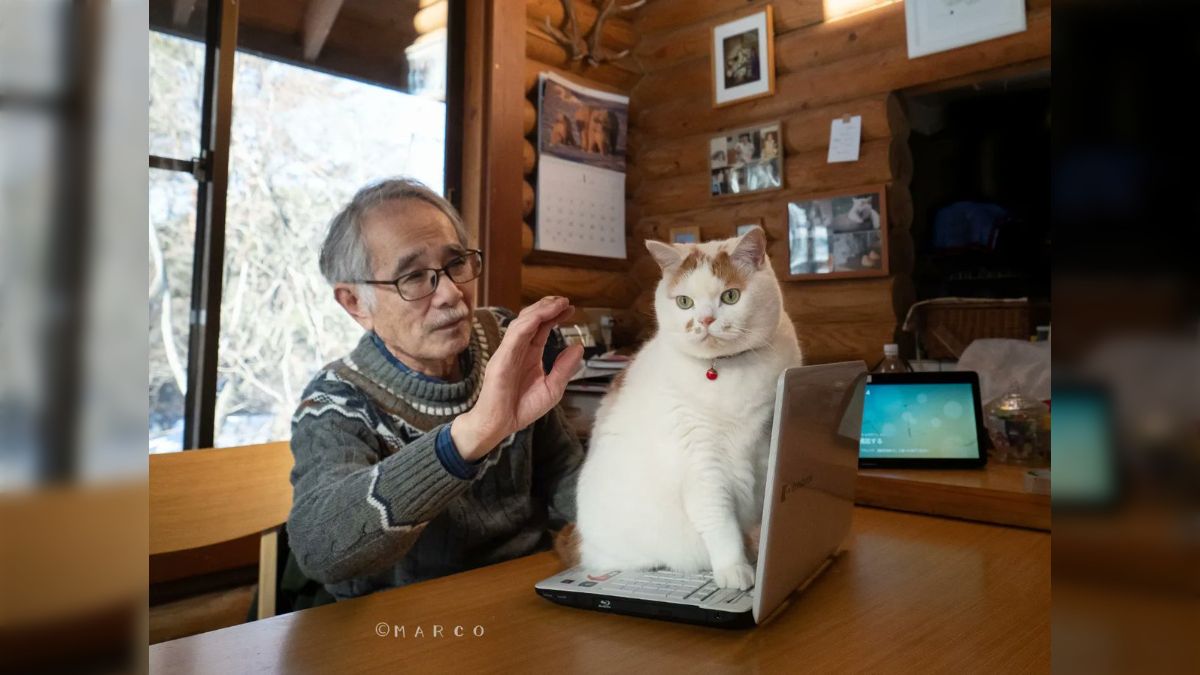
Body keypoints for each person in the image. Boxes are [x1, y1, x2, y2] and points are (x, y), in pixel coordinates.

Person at [286, 177, 586, 601]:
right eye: (413, 277)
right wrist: (466, 438)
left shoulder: (501, 336)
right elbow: (319, 549)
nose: (450, 294)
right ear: (355, 303)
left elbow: (563, 470)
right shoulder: (336, 401)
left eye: (456, 263)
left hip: (526, 588)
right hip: (406, 617)